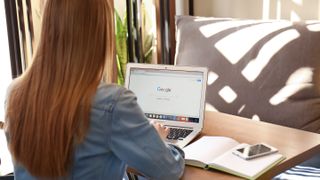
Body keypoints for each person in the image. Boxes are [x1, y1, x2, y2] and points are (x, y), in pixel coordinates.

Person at [4, 0, 185, 179]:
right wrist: (158, 141)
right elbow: (168, 171)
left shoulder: (14, 94)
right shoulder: (113, 102)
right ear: (99, 34)